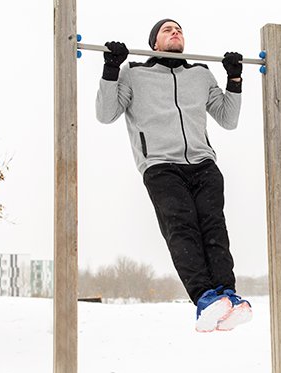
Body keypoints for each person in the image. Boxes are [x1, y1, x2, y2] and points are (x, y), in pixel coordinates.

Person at [95, 19, 252, 332]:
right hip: (160, 164)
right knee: (182, 228)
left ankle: (227, 294)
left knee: (214, 229)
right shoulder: (135, 73)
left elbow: (228, 119)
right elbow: (106, 113)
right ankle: (204, 298)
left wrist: (234, 78)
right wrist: (111, 69)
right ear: (154, 43)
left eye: (179, 30)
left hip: (203, 163)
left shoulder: (200, 74)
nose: (175, 33)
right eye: (167, 30)